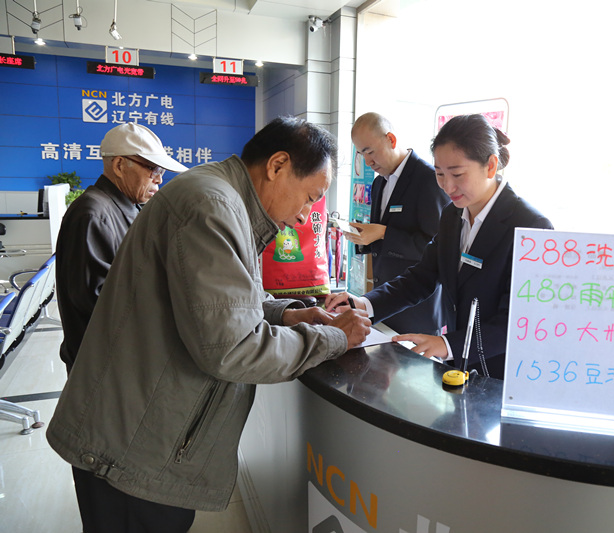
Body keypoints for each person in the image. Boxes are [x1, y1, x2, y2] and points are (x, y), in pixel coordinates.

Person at [46, 116, 371, 533]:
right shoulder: (213, 206)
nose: (306, 216)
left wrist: (288, 314)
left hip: (143, 438)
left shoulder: (223, 198)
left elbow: (221, 301)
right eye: (310, 198)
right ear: (277, 165)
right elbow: (233, 348)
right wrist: (334, 337)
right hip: (134, 451)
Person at [327, 114, 553, 379]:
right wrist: (365, 304)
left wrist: (448, 344)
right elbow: (422, 277)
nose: (447, 186)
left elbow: (519, 322)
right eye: (439, 174)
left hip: (501, 375)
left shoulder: (531, 227)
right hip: (458, 370)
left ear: (491, 166)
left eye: (457, 174)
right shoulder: (452, 215)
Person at [55, 122, 188, 375]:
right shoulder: (94, 214)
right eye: (153, 169)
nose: (159, 178)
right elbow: (99, 302)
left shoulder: (127, 208)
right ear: (118, 165)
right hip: (102, 365)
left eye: (161, 170)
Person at [347, 112, 449, 335]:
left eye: (370, 152)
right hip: (384, 304)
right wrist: (364, 237)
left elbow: (437, 248)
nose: (368, 162)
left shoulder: (428, 180)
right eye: (362, 155)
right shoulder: (378, 184)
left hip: (418, 310)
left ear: (391, 140)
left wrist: (383, 233)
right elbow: (382, 242)